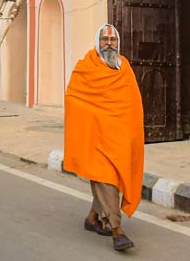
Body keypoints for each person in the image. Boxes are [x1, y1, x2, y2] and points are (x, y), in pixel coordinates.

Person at [63, 24, 144, 252]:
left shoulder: (124, 67)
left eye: (113, 39)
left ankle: (92, 218)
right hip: (95, 136)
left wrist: (131, 132)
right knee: (106, 178)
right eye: (104, 39)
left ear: (118, 42)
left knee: (112, 178)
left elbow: (132, 102)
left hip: (118, 136)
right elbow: (73, 98)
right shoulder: (85, 66)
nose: (109, 43)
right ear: (97, 41)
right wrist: (94, 117)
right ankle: (117, 231)